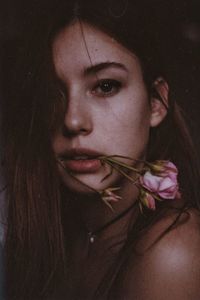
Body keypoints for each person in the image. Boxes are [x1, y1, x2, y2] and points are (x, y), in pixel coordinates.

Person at [2, 0, 200, 299]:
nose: (72, 119)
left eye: (105, 86)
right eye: (53, 94)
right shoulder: (49, 230)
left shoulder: (171, 254)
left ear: (157, 103)